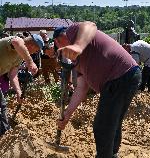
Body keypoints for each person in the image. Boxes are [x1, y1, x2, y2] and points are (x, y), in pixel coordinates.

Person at [53, 22, 141, 158]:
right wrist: (68, 114)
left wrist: (77, 46)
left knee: (102, 126)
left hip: (119, 75)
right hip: (125, 76)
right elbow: (81, 88)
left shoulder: (72, 31)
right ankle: (112, 154)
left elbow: (90, 25)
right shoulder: (78, 60)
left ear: (58, 40)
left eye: (59, 46)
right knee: (112, 122)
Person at [0, 34, 43, 136]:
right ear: (32, 45)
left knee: (2, 106)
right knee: (2, 107)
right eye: (36, 50)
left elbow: (13, 74)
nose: (35, 52)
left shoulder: (19, 57)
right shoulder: (18, 40)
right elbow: (17, 42)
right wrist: (30, 62)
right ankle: (5, 134)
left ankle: (4, 134)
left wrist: (18, 91)